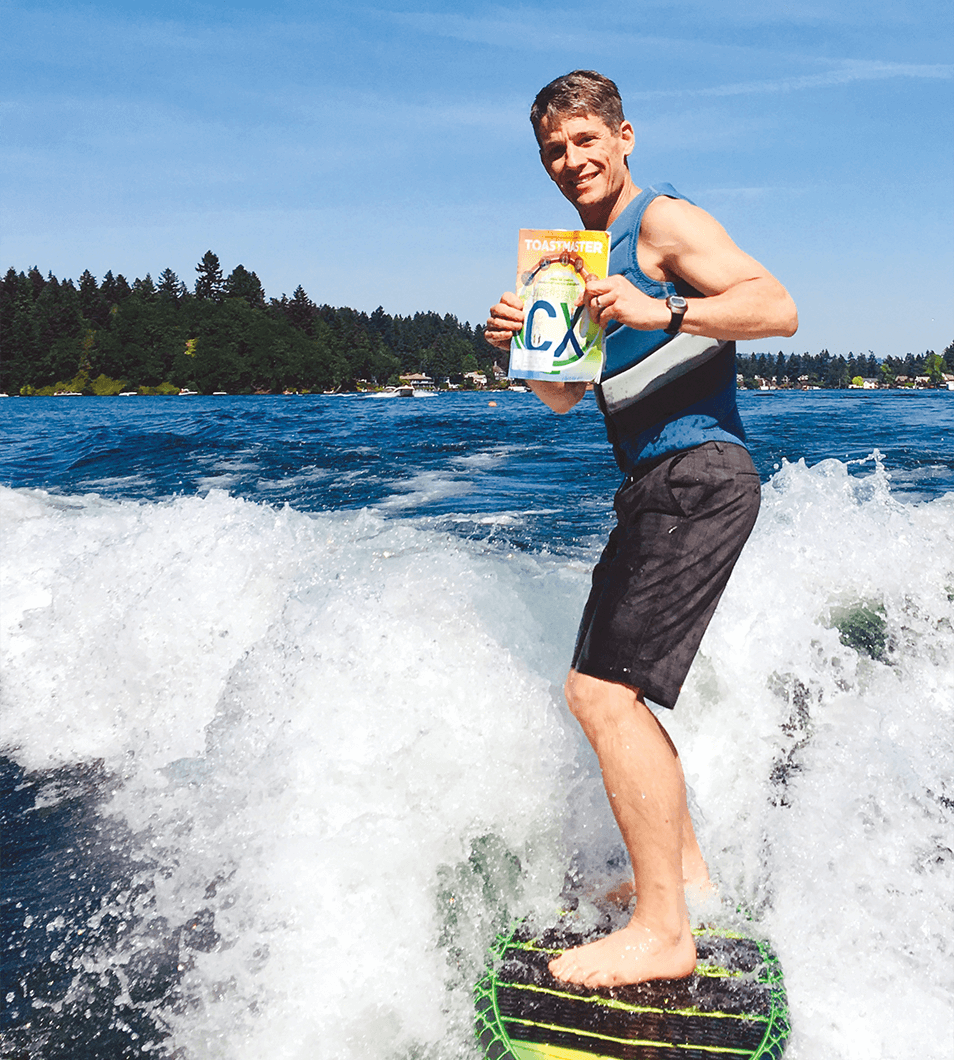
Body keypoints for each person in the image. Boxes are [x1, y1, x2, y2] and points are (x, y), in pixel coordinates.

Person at [485, 71, 797, 989]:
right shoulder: (574, 259)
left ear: (624, 137)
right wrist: (512, 344)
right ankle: (686, 882)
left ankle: (664, 930)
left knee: (600, 697)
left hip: (699, 473)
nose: (571, 161)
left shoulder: (662, 222)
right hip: (652, 484)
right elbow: (561, 397)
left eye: (586, 141)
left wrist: (664, 305)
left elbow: (776, 305)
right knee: (607, 691)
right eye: (553, 150)